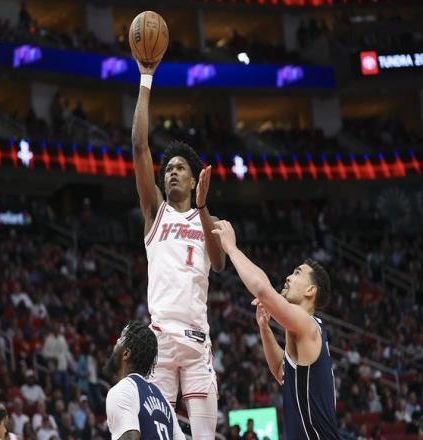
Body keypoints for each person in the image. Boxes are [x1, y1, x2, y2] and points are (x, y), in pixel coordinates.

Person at [131, 56, 226, 439]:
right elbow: (139, 146)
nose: (171, 171)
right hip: (161, 340)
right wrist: (146, 78)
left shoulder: (209, 221)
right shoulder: (155, 212)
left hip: (198, 340)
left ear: (193, 179)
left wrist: (202, 208)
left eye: (179, 168)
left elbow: (219, 263)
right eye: (168, 167)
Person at [211, 220, 341, 439]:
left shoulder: (308, 325)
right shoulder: (301, 332)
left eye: (297, 273)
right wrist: (265, 328)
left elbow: (262, 289)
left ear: (310, 290)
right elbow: (282, 371)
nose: (288, 277)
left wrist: (231, 248)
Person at [104, 321, 185, 440]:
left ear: (126, 354)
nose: (116, 341)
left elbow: (130, 438)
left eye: (120, 339)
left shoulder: (122, 391)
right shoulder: (164, 401)